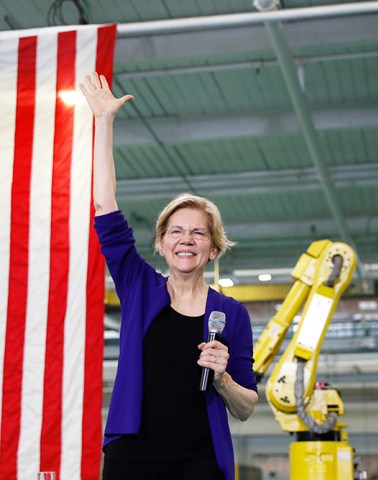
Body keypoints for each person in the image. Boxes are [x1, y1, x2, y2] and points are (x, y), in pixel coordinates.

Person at [80, 72, 258, 480]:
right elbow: (104, 205)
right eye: (175, 231)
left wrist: (223, 377)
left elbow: (246, 407)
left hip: (200, 459)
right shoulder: (139, 287)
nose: (186, 239)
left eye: (198, 232)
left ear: (212, 249)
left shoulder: (231, 313)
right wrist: (103, 121)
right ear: (161, 244)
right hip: (134, 453)